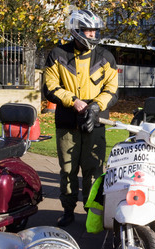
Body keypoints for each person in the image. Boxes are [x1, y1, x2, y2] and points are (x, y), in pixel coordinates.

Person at [43, 9, 118, 226]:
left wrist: (95, 107)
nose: (93, 34)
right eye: (89, 30)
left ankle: (92, 212)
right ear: (76, 30)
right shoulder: (57, 54)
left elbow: (112, 89)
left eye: (95, 30)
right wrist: (73, 100)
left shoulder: (106, 57)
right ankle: (68, 210)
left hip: (96, 120)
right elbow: (50, 87)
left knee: (93, 168)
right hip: (67, 121)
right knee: (68, 169)